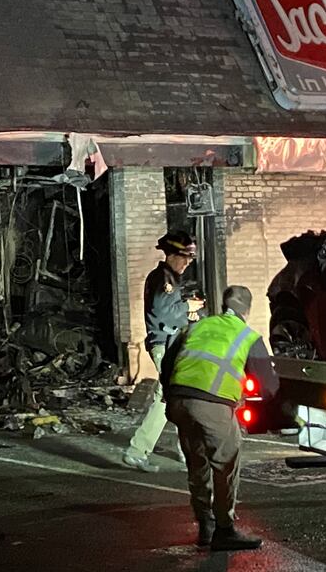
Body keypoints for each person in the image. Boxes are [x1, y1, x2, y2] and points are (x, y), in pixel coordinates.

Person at [162, 285, 279, 551]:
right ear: (247, 310)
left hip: (179, 401)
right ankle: (224, 529)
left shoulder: (197, 326)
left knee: (197, 462)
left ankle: (205, 524)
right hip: (212, 405)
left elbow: (168, 363)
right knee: (226, 464)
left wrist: (170, 395)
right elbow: (268, 386)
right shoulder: (247, 336)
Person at [123, 231, 204, 473]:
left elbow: (172, 313)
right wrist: (187, 306)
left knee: (179, 396)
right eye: (184, 257)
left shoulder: (170, 279)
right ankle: (137, 451)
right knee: (166, 397)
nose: (187, 262)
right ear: (171, 255)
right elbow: (165, 313)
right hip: (164, 344)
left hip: (172, 343)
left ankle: (184, 449)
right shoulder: (163, 279)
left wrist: (189, 312)